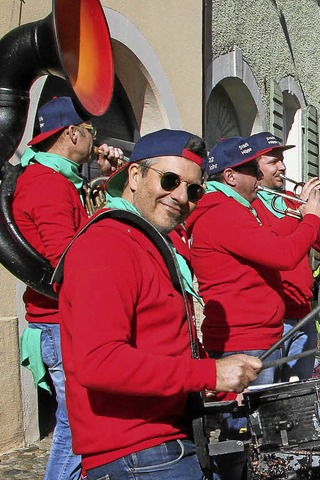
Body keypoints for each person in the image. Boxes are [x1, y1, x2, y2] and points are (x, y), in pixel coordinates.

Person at [57, 128, 262, 479]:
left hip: (163, 446)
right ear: (135, 176)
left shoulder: (142, 240)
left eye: (194, 189)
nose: (182, 196)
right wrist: (209, 373)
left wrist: (209, 382)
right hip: (139, 456)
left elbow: (159, 343)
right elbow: (100, 363)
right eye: (170, 180)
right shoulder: (108, 244)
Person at [187, 136, 320, 479]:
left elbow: (283, 244)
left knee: (261, 432)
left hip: (259, 333)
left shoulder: (235, 209)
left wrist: (307, 218)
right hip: (245, 337)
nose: (260, 174)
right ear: (230, 177)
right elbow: (282, 255)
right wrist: (310, 217)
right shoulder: (223, 212)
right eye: (252, 168)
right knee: (245, 434)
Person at [13, 96, 123, 480]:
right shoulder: (47, 184)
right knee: (77, 426)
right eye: (91, 130)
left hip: (62, 321)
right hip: (59, 323)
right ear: (72, 133)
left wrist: (108, 178)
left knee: (77, 423)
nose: (96, 137)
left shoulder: (59, 180)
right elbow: (67, 257)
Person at [248, 131, 320, 380]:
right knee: (266, 393)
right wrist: (305, 211)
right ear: (254, 166)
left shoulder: (292, 203)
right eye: (273, 161)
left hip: (302, 310)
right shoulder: (250, 204)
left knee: (299, 392)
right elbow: (274, 244)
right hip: (274, 315)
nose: (282, 167)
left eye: (282, 160)